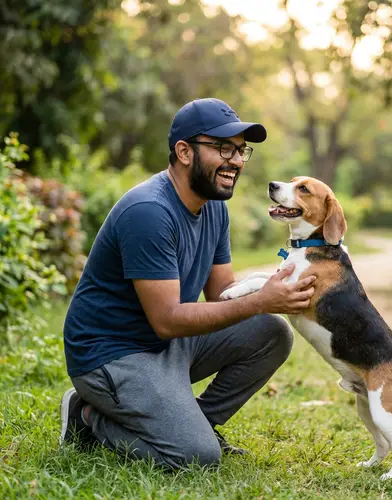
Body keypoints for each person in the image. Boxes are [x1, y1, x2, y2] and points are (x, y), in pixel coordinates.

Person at [60, 98, 316, 470]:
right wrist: (261, 301)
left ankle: (199, 423)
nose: (236, 161)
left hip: (165, 344)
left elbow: (221, 294)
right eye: (223, 148)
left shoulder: (214, 208)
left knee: (272, 333)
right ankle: (88, 416)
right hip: (112, 355)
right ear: (183, 151)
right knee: (195, 457)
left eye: (241, 150)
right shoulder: (149, 212)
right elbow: (167, 319)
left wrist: (271, 287)